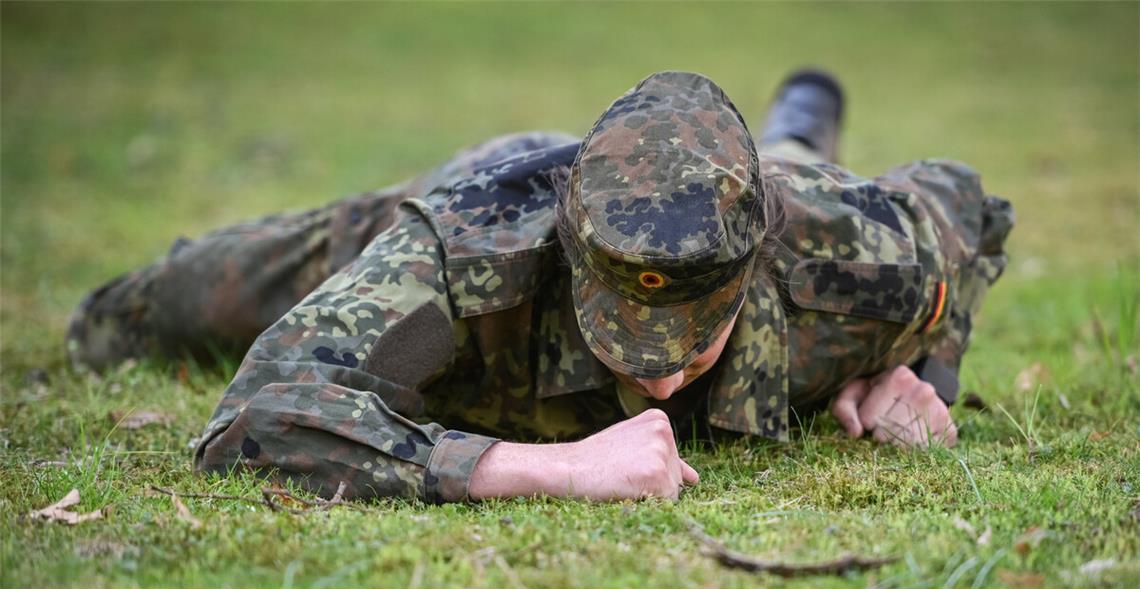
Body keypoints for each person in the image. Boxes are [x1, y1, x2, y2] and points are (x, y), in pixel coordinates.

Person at [67, 70, 1013, 503]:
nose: (660, 381)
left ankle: (798, 125)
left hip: (773, 193)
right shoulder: (461, 263)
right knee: (172, 308)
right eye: (624, 336)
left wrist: (921, 366)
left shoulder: (853, 253)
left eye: (690, 342)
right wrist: (541, 471)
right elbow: (258, 413)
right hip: (500, 183)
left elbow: (966, 205)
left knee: (796, 165)